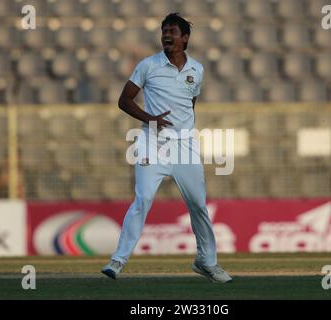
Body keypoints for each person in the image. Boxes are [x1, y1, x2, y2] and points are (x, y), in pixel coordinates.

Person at [101, 13, 232, 283]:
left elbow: (189, 106)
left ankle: (206, 262)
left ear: (185, 38)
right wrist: (150, 119)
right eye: (164, 31)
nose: (167, 36)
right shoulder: (148, 65)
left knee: (198, 205)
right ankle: (118, 260)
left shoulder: (197, 70)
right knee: (144, 198)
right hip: (152, 142)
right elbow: (124, 100)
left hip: (185, 145)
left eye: (172, 31)